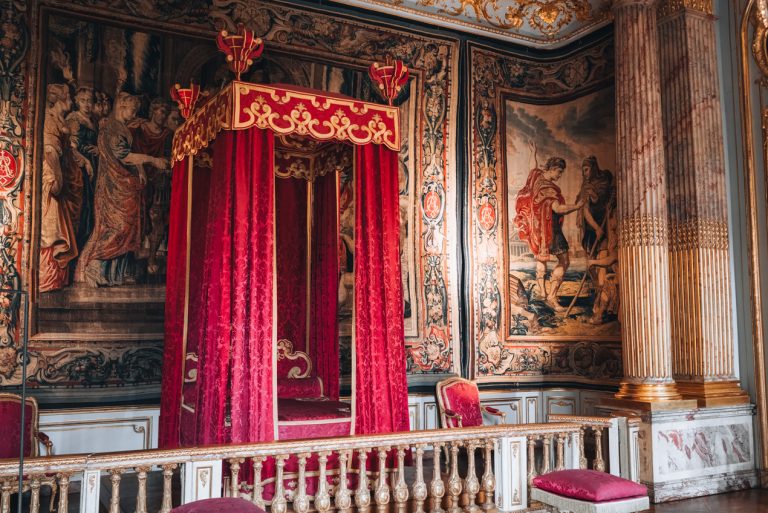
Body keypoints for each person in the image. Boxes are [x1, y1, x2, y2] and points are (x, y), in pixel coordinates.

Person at [75, 92, 168, 287]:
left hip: (122, 186)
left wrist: (140, 168)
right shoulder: (113, 129)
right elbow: (124, 156)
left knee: (126, 229)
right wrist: (153, 160)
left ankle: (110, 275)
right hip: (113, 188)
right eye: (132, 111)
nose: (134, 115)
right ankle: (94, 266)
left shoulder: (120, 127)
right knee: (118, 228)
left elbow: (130, 154)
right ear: (122, 107)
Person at [514, 156, 583, 311]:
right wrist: (577, 206)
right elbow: (558, 209)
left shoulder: (536, 177)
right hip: (550, 230)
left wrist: (533, 153)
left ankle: (543, 294)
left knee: (541, 258)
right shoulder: (548, 189)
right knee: (564, 261)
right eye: (558, 172)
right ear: (551, 169)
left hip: (537, 229)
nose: (559, 175)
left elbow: (532, 167)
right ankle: (551, 297)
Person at [39, 84, 83, 292]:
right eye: (68, 97)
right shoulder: (50, 120)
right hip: (53, 180)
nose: (71, 101)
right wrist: (56, 179)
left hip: (64, 181)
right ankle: (47, 279)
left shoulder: (60, 120)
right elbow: (50, 151)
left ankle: (55, 279)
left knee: (60, 226)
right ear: (58, 99)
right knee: (53, 230)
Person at [128, 97, 172, 274]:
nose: (163, 116)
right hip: (139, 177)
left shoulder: (168, 134)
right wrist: (140, 170)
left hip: (159, 182)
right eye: (161, 112)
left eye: (165, 113)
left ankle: (152, 257)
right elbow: (130, 152)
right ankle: (132, 258)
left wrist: (166, 167)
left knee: (157, 219)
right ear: (153, 111)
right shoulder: (139, 130)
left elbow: (170, 157)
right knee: (137, 218)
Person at [577, 156, 618, 324]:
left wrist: (603, 228)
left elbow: (605, 201)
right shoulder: (585, 187)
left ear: (593, 168)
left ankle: (599, 310)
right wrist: (596, 228)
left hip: (606, 228)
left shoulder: (604, 182)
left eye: (586, 169)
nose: (584, 173)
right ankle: (597, 303)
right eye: (582, 170)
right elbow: (585, 210)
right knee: (593, 270)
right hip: (593, 230)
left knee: (600, 267)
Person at [66, 86, 98, 253]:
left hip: (93, 166)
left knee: (92, 209)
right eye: (83, 101)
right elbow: (71, 147)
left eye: (90, 101)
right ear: (77, 102)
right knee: (83, 209)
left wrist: (98, 151)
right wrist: (85, 161)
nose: (87, 104)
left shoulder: (93, 120)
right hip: (79, 168)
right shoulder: (74, 119)